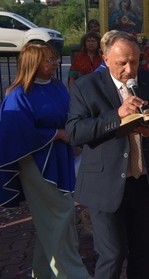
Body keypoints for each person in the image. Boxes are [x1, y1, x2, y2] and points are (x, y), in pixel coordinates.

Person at [67, 31, 149, 279]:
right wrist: (117, 115)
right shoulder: (86, 87)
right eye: (121, 63)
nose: (129, 69)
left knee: (143, 252)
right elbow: (75, 132)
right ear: (106, 59)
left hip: (143, 182)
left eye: (134, 62)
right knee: (112, 254)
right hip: (105, 184)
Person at [0, 42, 89, 278]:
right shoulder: (18, 94)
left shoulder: (58, 86)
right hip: (37, 162)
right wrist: (57, 134)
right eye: (49, 60)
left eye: (55, 59)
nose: (55, 64)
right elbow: (15, 132)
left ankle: (43, 271)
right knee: (62, 213)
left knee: (55, 218)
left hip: (62, 156)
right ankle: (73, 273)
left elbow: (71, 115)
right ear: (33, 63)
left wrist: (75, 137)